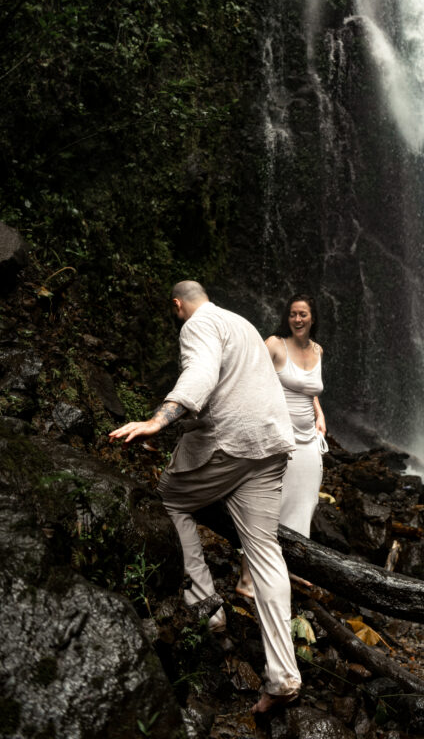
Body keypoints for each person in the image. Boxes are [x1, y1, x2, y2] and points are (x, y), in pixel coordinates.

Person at [109, 281, 301, 715]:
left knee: (170, 500)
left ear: (177, 306)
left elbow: (200, 373)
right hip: (271, 444)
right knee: (266, 553)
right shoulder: (242, 323)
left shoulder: (197, 325)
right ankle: (284, 676)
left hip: (231, 444)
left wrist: (159, 421)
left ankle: (207, 607)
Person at [237, 293, 325, 598]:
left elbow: (310, 389)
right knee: (269, 504)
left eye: (303, 314)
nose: (297, 319)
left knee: (305, 502)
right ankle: (247, 577)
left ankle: (289, 566)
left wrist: (320, 414)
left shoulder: (318, 350)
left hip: (308, 439)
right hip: (278, 435)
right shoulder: (275, 344)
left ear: (312, 318)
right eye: (292, 315)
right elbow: (249, 376)